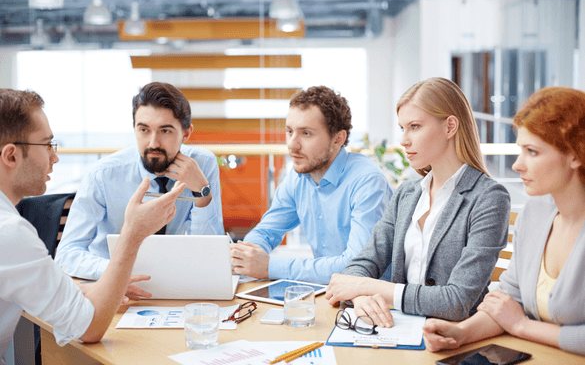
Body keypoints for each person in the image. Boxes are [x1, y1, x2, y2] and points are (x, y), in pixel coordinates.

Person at [0, 88, 186, 363]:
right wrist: (132, 234)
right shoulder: (10, 233)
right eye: (47, 145)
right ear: (11, 156)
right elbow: (88, 327)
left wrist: (82, 290)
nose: (55, 158)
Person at [325, 77, 511, 327]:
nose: (404, 140)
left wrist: (367, 286)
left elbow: (457, 301)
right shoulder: (407, 194)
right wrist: (360, 297)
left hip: (458, 339)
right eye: (402, 128)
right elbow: (362, 264)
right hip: (399, 329)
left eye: (414, 126)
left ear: (450, 127)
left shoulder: (489, 198)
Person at [423, 87, 585, 356]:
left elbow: (515, 319)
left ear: (575, 155)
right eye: (520, 150)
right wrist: (462, 333)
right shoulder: (536, 212)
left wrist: (522, 326)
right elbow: (508, 302)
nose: (517, 166)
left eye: (532, 152)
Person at [55, 82, 224, 281]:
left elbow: (209, 255)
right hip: (109, 281)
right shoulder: (102, 175)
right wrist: (119, 272)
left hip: (172, 280)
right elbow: (66, 255)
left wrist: (202, 193)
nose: (153, 143)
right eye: (144, 130)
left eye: (165, 131)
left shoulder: (202, 164)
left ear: (186, 133)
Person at [230, 86, 392, 284]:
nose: (292, 144)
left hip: (371, 300)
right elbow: (266, 232)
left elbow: (355, 267)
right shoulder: (298, 177)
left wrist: (269, 267)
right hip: (328, 294)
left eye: (306, 133)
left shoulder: (367, 181)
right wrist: (245, 256)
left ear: (338, 139)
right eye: (289, 131)